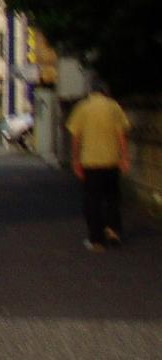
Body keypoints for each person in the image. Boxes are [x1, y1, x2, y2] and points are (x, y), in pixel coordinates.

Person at [66, 75, 131, 252]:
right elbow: (122, 135)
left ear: (91, 91)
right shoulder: (114, 107)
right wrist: (125, 158)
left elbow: (76, 137)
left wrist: (75, 160)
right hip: (111, 161)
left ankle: (96, 240)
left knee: (92, 200)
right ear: (105, 91)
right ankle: (113, 230)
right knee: (112, 198)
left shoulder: (82, 107)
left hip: (90, 162)